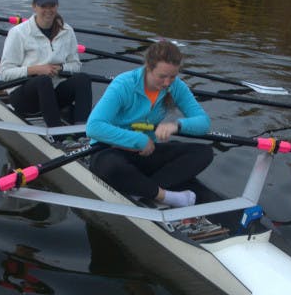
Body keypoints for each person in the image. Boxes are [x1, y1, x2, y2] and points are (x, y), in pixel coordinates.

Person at [85, 40, 212, 208]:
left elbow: (204, 122)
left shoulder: (177, 87)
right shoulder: (124, 84)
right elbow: (93, 127)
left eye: (172, 77)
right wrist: (137, 140)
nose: (167, 83)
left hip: (147, 152)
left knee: (204, 152)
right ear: (148, 68)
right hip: (110, 149)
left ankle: (143, 189)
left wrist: (176, 125)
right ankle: (163, 195)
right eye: (162, 76)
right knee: (111, 167)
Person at [0, 0, 92, 128]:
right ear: (34, 7)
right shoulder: (18, 33)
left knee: (83, 79)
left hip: (53, 94)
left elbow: (76, 65)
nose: (48, 10)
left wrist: (61, 68)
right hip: (24, 97)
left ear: (57, 5)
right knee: (43, 80)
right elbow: (5, 73)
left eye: (52, 5)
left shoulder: (67, 31)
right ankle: (57, 134)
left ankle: (83, 130)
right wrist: (37, 69)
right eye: (43, 6)